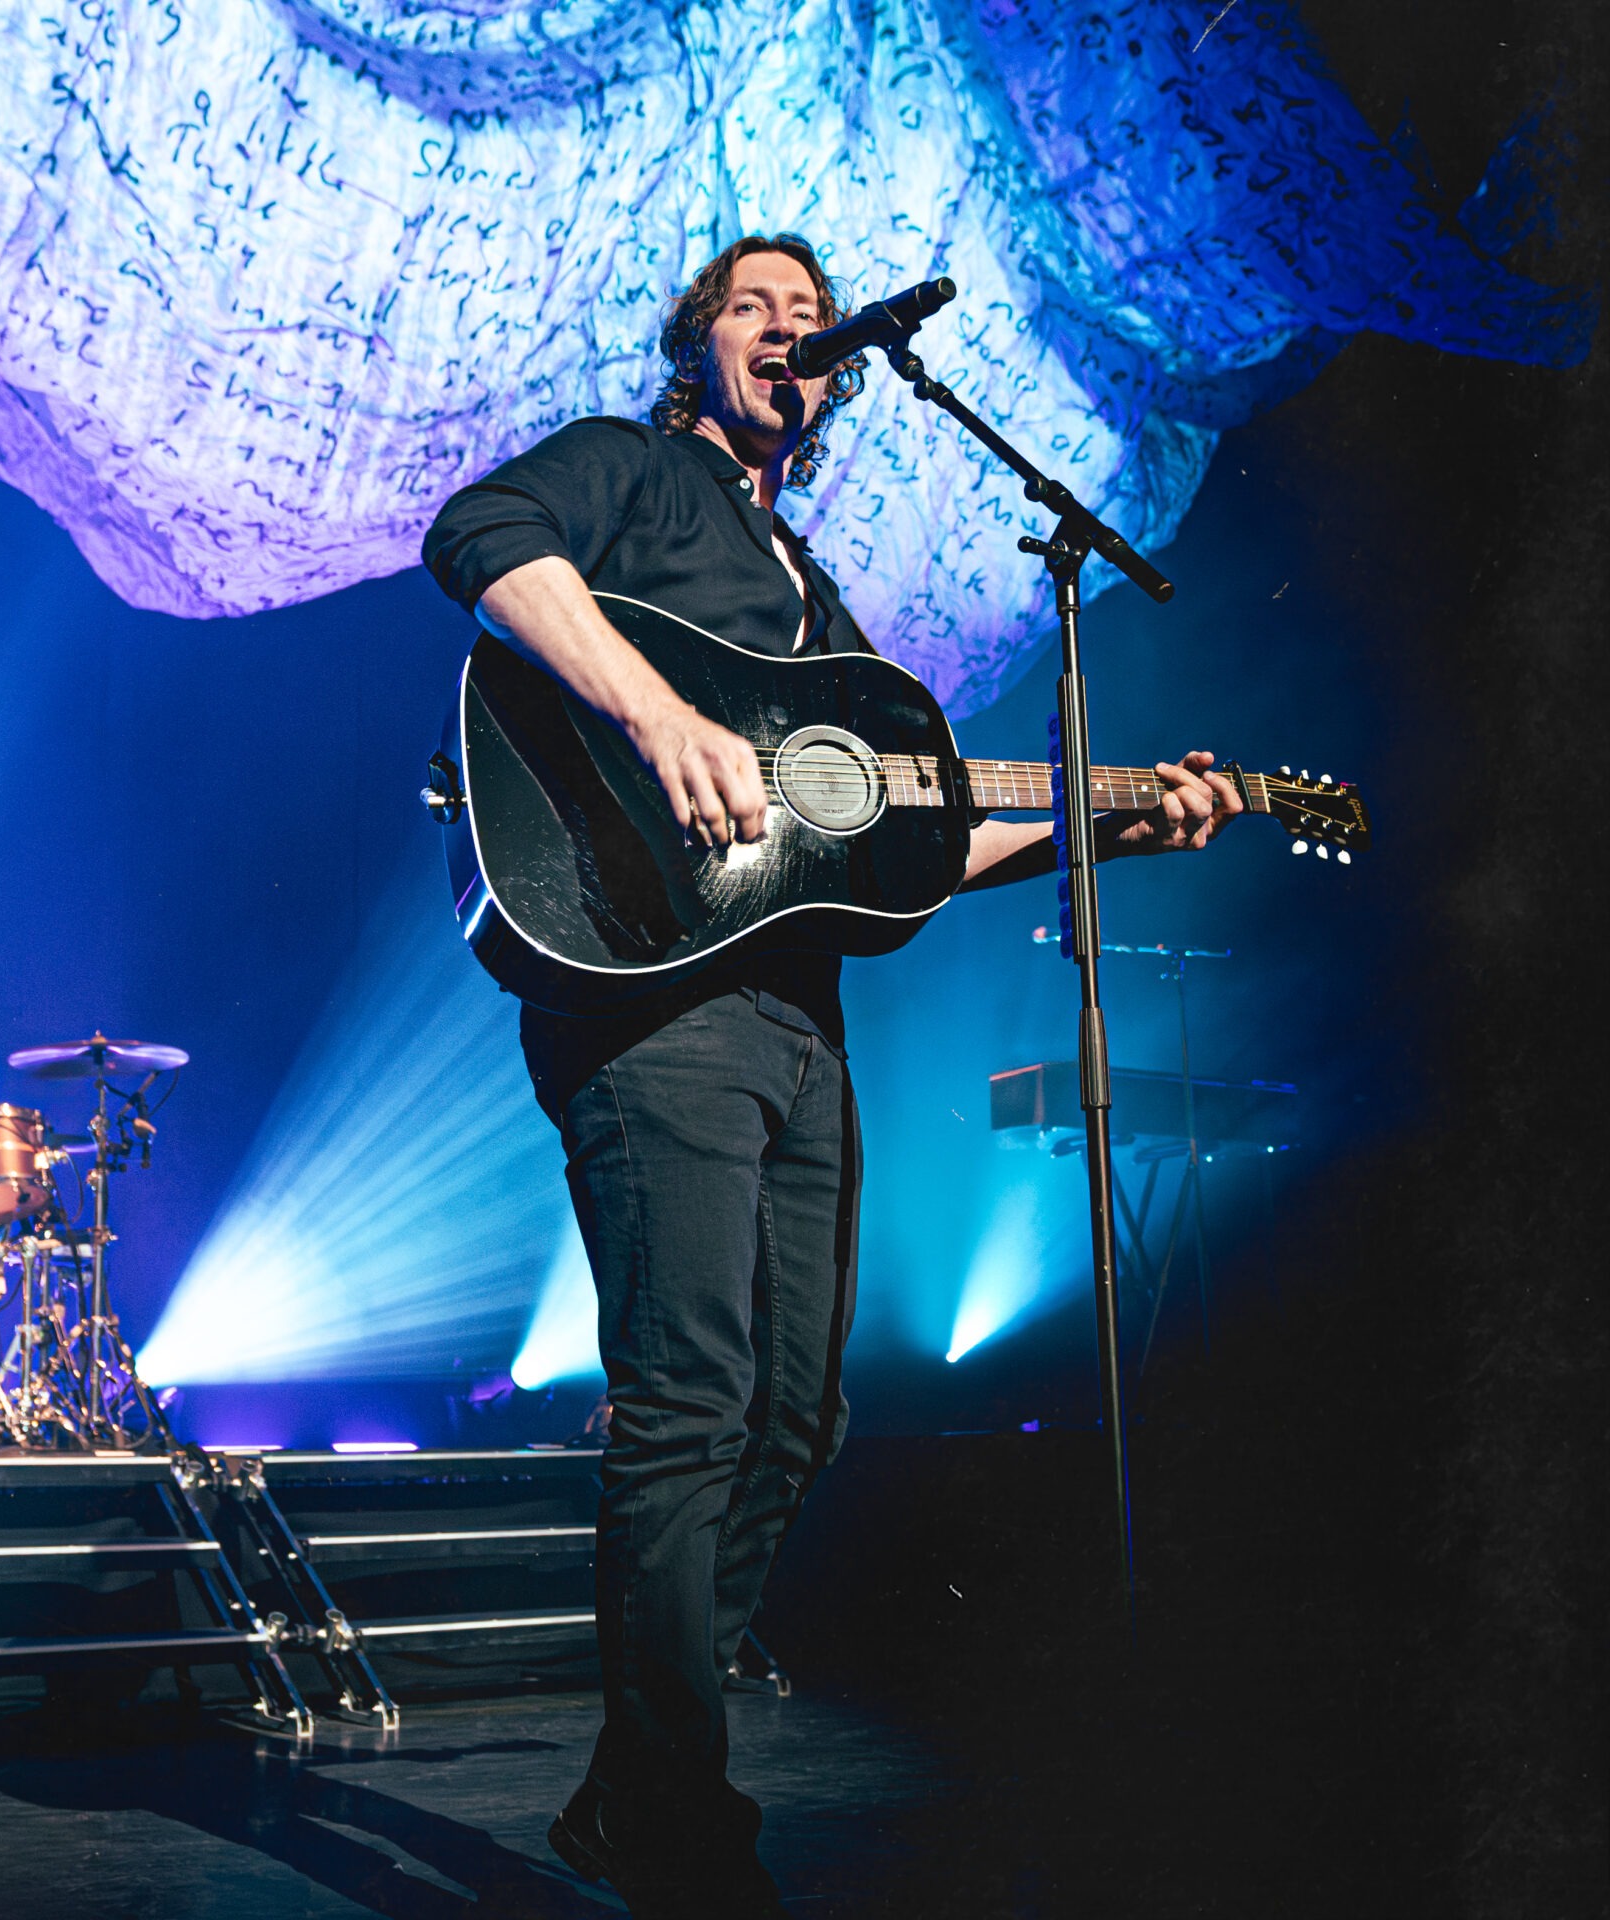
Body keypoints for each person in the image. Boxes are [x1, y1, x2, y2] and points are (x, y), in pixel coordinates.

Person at [421, 234, 1242, 1917]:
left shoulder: (818, 599)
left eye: (810, 317)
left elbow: (917, 845)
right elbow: (478, 540)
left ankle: (636, 1782)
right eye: (755, 307)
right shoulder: (634, 476)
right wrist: (658, 718)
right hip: (651, 996)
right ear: (696, 343)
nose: (791, 330)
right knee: (692, 1404)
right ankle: (676, 1821)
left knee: (798, 1417)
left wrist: (1113, 818)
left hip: (800, 1021)